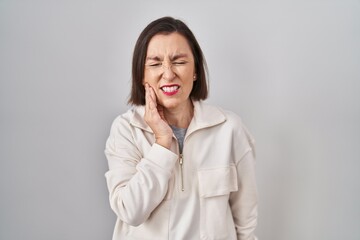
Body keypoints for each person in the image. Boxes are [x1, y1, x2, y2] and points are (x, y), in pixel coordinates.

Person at [104, 16, 258, 240]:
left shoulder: (229, 129)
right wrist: (162, 143)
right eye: (155, 63)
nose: (168, 73)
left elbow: (246, 222)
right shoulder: (126, 130)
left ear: (195, 71)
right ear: (141, 75)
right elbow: (131, 211)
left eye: (179, 61)